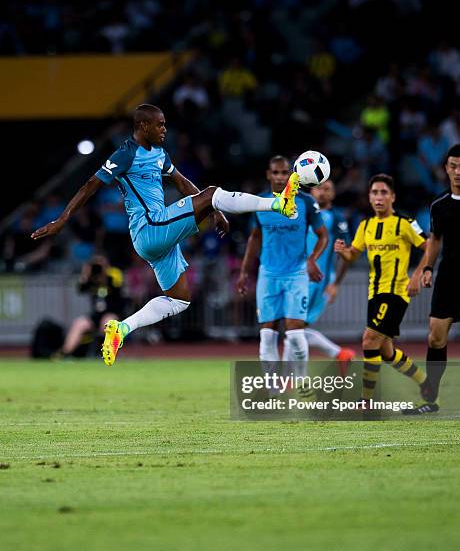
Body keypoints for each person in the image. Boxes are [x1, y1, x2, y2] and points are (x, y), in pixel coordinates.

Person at [31, 104, 300, 366]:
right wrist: (62, 219)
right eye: (159, 124)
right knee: (211, 192)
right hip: (149, 228)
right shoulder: (125, 153)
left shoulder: (159, 153)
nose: (164, 129)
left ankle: (121, 329)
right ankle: (278, 203)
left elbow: (182, 183)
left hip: (158, 237)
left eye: (165, 124)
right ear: (142, 126)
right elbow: (91, 184)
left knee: (180, 299)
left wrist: (215, 210)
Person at [334, 174, 431, 409]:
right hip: (374, 294)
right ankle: (426, 384)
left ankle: (366, 400)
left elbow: (429, 246)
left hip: (395, 292)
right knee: (386, 352)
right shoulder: (366, 226)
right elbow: (354, 254)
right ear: (369, 197)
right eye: (374, 193)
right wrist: (343, 251)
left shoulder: (405, 223)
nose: (379, 197)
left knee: (369, 340)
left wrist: (418, 274)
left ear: (393, 197)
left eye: (383, 192)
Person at [236, 155, 328, 377]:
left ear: (292, 174)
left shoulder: (306, 202)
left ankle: (302, 380)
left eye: (284, 172)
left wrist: (312, 259)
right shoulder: (260, 203)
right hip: (268, 275)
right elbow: (254, 238)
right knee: (267, 335)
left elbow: (323, 236)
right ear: (268, 174)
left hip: (296, 274)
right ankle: (273, 389)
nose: (279, 177)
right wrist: (243, 272)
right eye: (275, 172)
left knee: (295, 333)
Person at [412, 143, 460, 414]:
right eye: (453, 166)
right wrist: (427, 267)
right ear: (446, 170)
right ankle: (431, 399)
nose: (457, 171)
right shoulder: (438, 205)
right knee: (435, 338)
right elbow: (435, 239)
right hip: (449, 278)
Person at [283, 179, 355, 374]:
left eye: (327, 189)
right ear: (311, 191)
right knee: (294, 329)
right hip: (299, 278)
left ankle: (287, 378)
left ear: (333, 193)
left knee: (294, 328)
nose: (322, 192)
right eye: (318, 188)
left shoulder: (336, 217)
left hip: (318, 281)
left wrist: (336, 284)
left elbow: (347, 254)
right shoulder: (303, 214)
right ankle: (340, 354)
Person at [58, 255, 126, 358]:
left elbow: (118, 287)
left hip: (113, 313)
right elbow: (80, 289)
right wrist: (86, 273)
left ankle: (107, 354)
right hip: (96, 315)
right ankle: (65, 354)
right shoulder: (91, 279)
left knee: (108, 323)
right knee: (79, 323)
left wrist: (105, 274)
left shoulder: (113, 275)